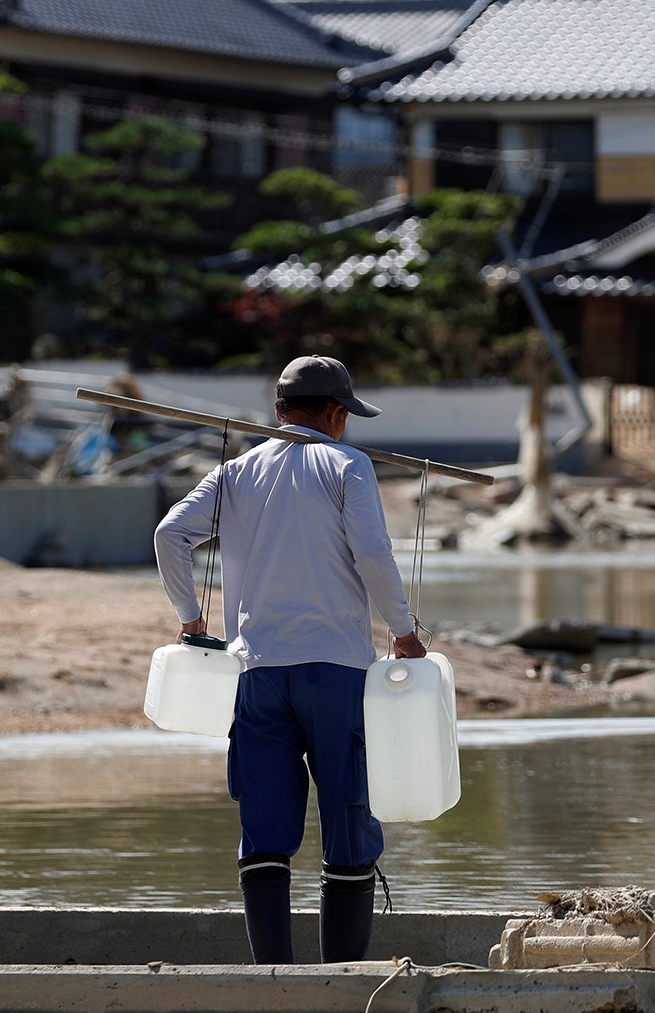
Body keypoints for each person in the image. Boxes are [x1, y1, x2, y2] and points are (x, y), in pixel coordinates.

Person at [154, 355, 426, 966]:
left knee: (266, 835)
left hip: (259, 677)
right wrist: (403, 632)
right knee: (350, 830)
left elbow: (170, 534)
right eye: (345, 417)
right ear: (333, 413)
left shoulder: (237, 471)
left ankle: (272, 981)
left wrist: (191, 618)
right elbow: (374, 555)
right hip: (335, 672)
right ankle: (342, 979)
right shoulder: (345, 464)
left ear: (279, 411)